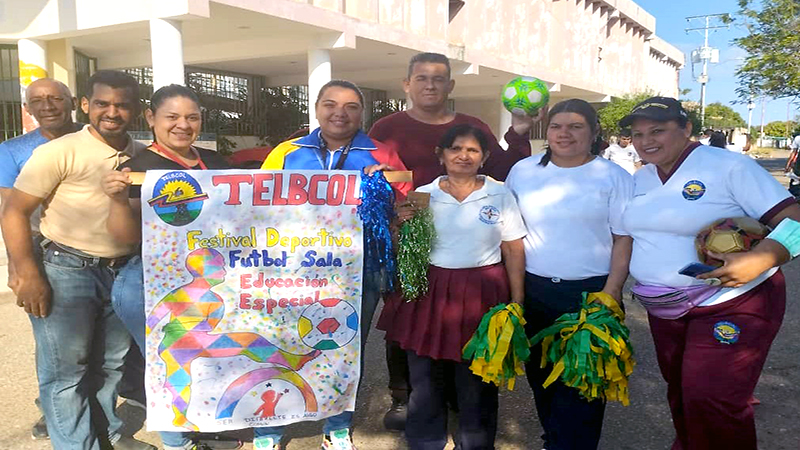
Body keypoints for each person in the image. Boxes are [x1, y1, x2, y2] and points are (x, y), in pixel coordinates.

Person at [367, 52, 537, 429]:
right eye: (422, 78)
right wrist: (392, 219)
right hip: (407, 237)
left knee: (463, 328)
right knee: (403, 322)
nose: (430, 85)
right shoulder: (386, 127)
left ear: (451, 85)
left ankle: (463, 402)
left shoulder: (470, 126)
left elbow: (497, 172)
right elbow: (373, 178)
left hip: (468, 239)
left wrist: (520, 132)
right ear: (407, 84)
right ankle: (404, 396)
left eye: (439, 78)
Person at [619, 96, 800, 450]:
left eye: (658, 130)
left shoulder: (728, 167)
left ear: (687, 129)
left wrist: (763, 257)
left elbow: (794, 219)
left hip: (733, 301)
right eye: (638, 134)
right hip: (666, 307)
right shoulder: (640, 178)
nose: (646, 140)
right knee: (683, 392)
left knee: (712, 397)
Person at [0, 70, 154, 450]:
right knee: (65, 373)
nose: (112, 112)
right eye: (102, 103)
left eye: (122, 105)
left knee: (111, 365)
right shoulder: (58, 151)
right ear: (85, 105)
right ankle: (76, 445)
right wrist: (25, 270)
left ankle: (108, 434)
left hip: (121, 274)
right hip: (66, 270)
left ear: (136, 110)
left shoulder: (140, 155)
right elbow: (14, 211)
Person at [260, 79, 411, 450]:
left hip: (360, 269)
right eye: (330, 104)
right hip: (291, 268)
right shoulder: (287, 152)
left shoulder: (382, 153)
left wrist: (386, 196)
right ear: (316, 109)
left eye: (351, 106)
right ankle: (269, 427)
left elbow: (404, 209)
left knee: (344, 346)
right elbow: (254, 202)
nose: (339, 113)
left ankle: (337, 424)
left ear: (363, 113)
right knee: (281, 341)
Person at [102, 84, 244, 450]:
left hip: (208, 282)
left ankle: (207, 429)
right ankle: (178, 441)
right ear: (151, 119)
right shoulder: (138, 169)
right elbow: (123, 237)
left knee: (207, 359)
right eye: (172, 117)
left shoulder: (214, 163)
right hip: (150, 281)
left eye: (192, 117)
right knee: (166, 363)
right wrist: (118, 200)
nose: (183, 124)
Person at [377, 124, 526, 450]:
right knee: (425, 375)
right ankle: (425, 439)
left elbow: (513, 248)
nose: (464, 156)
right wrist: (397, 225)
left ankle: (475, 441)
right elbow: (403, 247)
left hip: (483, 291)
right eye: (456, 148)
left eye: (473, 150)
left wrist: (517, 299)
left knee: (477, 376)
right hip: (430, 290)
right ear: (441, 155)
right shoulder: (423, 195)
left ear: (485, 156)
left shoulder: (500, 194)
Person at [504, 99, 634, 450]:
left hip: (590, 295)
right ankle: (555, 440)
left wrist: (611, 292)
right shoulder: (524, 170)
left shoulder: (614, 176)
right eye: (558, 125)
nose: (565, 133)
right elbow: (509, 232)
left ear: (593, 133)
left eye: (576, 126)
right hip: (534, 291)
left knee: (584, 386)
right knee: (542, 379)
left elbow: (624, 238)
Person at [0, 77, 82, 441]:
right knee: (56, 346)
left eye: (55, 98)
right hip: (42, 253)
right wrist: (20, 268)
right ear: (27, 109)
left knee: (97, 347)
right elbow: (8, 210)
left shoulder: (93, 139)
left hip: (96, 254)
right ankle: (54, 414)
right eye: (38, 100)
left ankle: (95, 414)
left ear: (73, 102)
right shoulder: (13, 151)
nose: (47, 105)